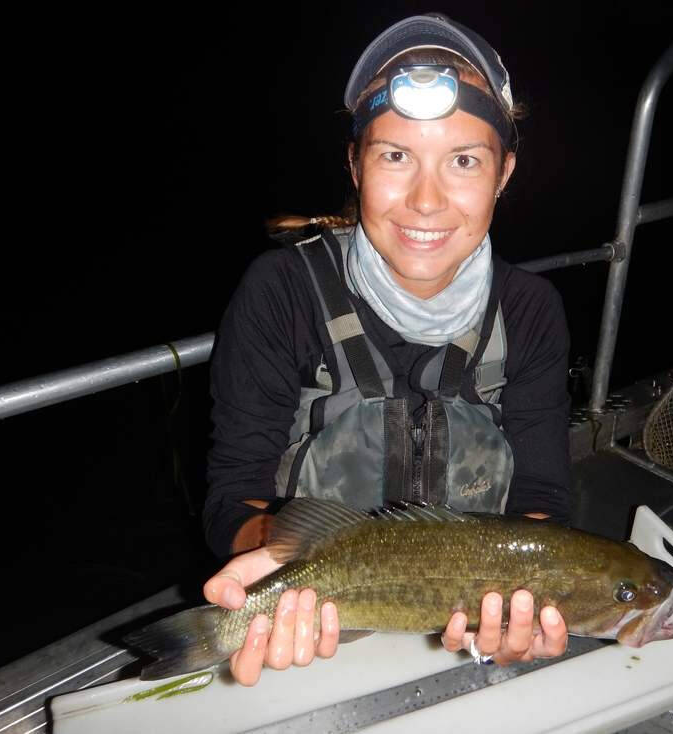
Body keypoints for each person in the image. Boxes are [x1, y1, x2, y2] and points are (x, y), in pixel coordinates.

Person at [201, 12, 573, 686]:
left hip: (465, 625)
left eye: (463, 161)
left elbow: (543, 494)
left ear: (504, 173)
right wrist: (284, 565)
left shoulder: (531, 310)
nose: (425, 201)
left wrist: (525, 603)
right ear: (355, 163)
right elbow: (234, 496)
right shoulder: (280, 288)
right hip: (312, 625)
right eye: (394, 156)